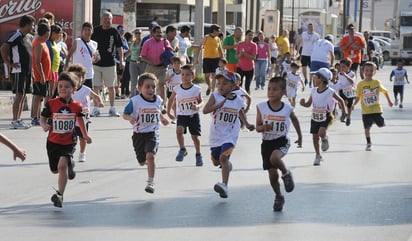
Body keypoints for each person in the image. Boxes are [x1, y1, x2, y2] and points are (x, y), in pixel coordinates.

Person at [40, 72, 92, 208]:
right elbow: (43, 118)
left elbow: (80, 120)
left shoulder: (77, 106)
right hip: (52, 142)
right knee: (55, 170)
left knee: (61, 166)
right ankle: (70, 164)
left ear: (74, 90)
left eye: (67, 87)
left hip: (68, 142)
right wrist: (44, 125)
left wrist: (85, 136)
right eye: (60, 86)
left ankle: (59, 195)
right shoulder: (51, 104)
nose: (63, 89)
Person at [203, 70, 255, 198]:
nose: (220, 86)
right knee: (216, 162)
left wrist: (247, 124)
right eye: (218, 83)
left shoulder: (238, 99)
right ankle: (228, 165)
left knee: (223, 158)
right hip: (216, 135)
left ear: (233, 86)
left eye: (224, 83)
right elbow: (205, 110)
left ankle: (224, 185)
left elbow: (240, 111)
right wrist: (218, 105)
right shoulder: (215, 96)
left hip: (231, 135)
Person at [256, 76, 302, 211]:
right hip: (266, 143)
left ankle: (286, 173)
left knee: (275, 158)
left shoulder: (287, 108)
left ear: (283, 92)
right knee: (272, 176)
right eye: (269, 89)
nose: (271, 92)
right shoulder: (261, 107)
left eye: (275, 90)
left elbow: (295, 120)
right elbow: (257, 126)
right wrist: (263, 128)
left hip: (281, 140)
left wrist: (300, 136)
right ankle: (278, 196)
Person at [123, 73, 169, 193]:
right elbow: (125, 114)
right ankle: (145, 163)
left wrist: (162, 118)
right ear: (139, 88)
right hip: (138, 135)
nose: (151, 89)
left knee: (150, 156)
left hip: (152, 133)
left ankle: (150, 182)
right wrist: (130, 118)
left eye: (153, 87)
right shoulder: (135, 101)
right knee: (142, 161)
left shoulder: (158, 100)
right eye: (147, 87)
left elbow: (157, 111)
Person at [300, 68, 346, 165]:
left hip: (327, 115)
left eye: (315, 77)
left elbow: (341, 100)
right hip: (315, 116)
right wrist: (303, 103)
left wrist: (344, 113)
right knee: (315, 137)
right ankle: (318, 155)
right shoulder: (313, 91)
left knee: (321, 132)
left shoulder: (330, 91)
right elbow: (309, 104)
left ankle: (324, 138)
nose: (313, 79)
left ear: (321, 79)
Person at [0, 15, 35, 129]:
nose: (33, 27)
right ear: (26, 25)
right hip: (19, 70)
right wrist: (8, 63)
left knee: (23, 95)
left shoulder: (28, 37)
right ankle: (15, 120)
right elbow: (3, 48)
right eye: (32, 25)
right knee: (19, 95)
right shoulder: (17, 35)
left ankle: (18, 120)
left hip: (27, 71)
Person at [166, 64, 204, 166]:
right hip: (182, 115)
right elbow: (170, 100)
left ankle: (198, 154)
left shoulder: (196, 89)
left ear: (193, 76)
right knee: (179, 131)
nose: (184, 77)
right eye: (182, 74)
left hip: (193, 116)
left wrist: (198, 106)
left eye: (187, 75)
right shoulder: (177, 88)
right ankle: (182, 149)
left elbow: (201, 101)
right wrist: (169, 112)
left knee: (195, 137)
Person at [353, 62, 393, 151]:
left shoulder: (377, 82)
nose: (369, 73)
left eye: (371, 71)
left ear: (374, 72)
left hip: (377, 109)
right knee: (367, 128)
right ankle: (368, 143)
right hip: (366, 111)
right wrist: (354, 104)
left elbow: (385, 91)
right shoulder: (360, 84)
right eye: (367, 70)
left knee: (381, 125)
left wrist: (389, 101)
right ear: (363, 71)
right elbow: (358, 96)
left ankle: (376, 121)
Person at [68, 64, 104, 162]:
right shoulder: (68, 89)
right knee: (69, 136)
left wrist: (100, 102)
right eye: (74, 76)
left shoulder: (85, 89)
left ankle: (82, 152)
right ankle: (69, 152)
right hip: (71, 117)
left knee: (82, 137)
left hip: (83, 117)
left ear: (83, 78)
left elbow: (96, 96)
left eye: (79, 76)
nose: (77, 78)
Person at [91, 11, 124, 117]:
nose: (106, 20)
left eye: (109, 18)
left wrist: (122, 60)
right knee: (95, 85)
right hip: (96, 63)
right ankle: (95, 108)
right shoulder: (95, 30)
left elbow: (119, 47)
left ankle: (112, 108)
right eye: (105, 18)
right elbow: (90, 45)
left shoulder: (114, 31)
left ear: (111, 19)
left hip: (110, 63)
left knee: (111, 86)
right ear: (102, 19)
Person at [140, 25, 173, 111]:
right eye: (157, 32)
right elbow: (142, 56)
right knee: (148, 85)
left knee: (162, 85)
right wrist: (149, 61)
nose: (159, 34)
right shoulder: (147, 42)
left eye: (161, 32)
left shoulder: (165, 42)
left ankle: (162, 105)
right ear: (153, 33)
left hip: (162, 67)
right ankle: (147, 102)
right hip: (151, 67)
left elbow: (170, 52)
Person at [65, 22, 100, 89]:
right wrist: (66, 66)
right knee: (76, 94)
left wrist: (96, 59)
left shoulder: (94, 44)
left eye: (89, 30)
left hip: (89, 74)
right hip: (76, 73)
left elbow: (96, 58)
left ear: (92, 31)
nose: (87, 32)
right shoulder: (77, 41)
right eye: (85, 30)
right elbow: (69, 55)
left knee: (87, 95)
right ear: (82, 31)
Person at [31, 23, 52, 127]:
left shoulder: (43, 42)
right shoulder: (38, 43)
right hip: (40, 76)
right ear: (46, 32)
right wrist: (42, 76)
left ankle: (38, 117)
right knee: (38, 96)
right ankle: (35, 117)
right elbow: (37, 62)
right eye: (49, 31)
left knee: (41, 97)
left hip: (46, 75)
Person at [195, 24, 224, 95]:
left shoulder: (217, 39)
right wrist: (197, 58)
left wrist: (223, 59)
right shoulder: (206, 37)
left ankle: (213, 91)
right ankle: (209, 86)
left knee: (214, 75)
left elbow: (220, 49)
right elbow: (199, 47)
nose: (219, 32)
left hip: (216, 59)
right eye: (218, 31)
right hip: (207, 59)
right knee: (207, 76)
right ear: (214, 30)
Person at [236, 29, 257, 94]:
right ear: (245, 36)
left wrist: (244, 53)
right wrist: (240, 54)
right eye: (249, 35)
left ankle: (248, 100)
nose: (251, 37)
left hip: (250, 68)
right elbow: (236, 56)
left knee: (247, 86)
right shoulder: (240, 44)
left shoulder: (254, 45)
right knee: (239, 85)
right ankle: (238, 99)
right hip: (240, 67)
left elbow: (253, 57)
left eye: (252, 35)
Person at [337, 58, 357, 126]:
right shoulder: (339, 74)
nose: (342, 68)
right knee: (341, 104)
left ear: (349, 67)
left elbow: (352, 81)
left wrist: (345, 75)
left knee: (349, 105)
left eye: (344, 67)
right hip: (342, 90)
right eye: (341, 66)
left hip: (350, 91)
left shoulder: (352, 73)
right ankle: (344, 113)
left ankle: (348, 117)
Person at [46, 24, 63, 99]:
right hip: (50, 71)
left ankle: (49, 109)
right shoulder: (47, 43)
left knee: (52, 93)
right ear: (53, 33)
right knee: (49, 93)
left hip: (56, 70)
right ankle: (46, 109)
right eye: (59, 33)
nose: (60, 35)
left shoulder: (54, 43)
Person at [129, 28, 146, 97]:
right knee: (133, 80)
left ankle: (143, 94)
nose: (137, 34)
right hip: (133, 62)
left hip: (141, 62)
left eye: (139, 33)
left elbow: (143, 52)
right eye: (136, 33)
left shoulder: (143, 42)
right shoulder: (132, 42)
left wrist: (140, 57)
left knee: (142, 79)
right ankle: (133, 95)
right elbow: (130, 51)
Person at [114, 25, 129, 100]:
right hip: (116, 60)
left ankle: (118, 91)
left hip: (123, 60)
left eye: (123, 31)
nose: (122, 33)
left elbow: (126, 49)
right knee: (116, 77)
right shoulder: (115, 39)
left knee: (120, 77)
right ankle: (116, 92)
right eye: (120, 31)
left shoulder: (124, 39)